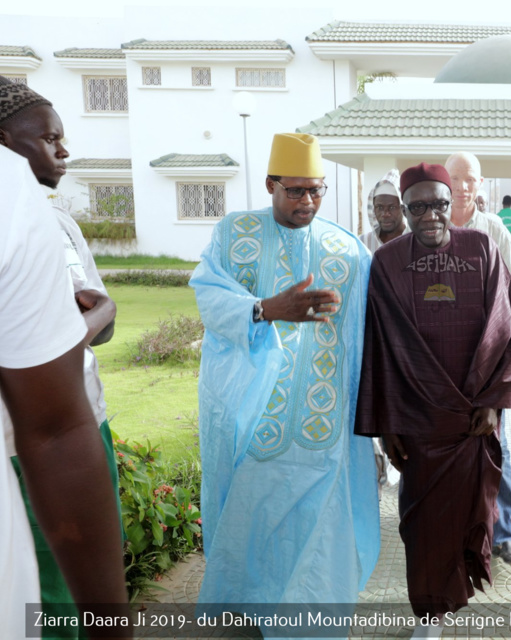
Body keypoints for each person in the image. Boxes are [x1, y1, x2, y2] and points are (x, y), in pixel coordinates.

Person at [190, 133, 379, 624]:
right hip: (251, 417)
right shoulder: (235, 234)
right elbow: (209, 296)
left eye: (316, 190)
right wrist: (266, 309)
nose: (308, 201)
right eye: (295, 190)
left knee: (319, 530)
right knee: (252, 517)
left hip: (322, 419)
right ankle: (250, 609)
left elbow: (371, 332)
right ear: (270, 184)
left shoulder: (347, 250)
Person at [356, 163, 511, 637]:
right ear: (403, 210)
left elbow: (506, 327)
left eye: (439, 205)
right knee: (424, 526)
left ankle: (450, 601)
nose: (430, 215)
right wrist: (387, 424)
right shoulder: (387, 262)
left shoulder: (481, 249)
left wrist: (492, 402)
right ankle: (429, 616)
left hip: (472, 419)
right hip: (417, 420)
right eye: (418, 207)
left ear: (454, 204)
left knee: (470, 515)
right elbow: (379, 347)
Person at [0, 76, 123, 639]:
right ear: (5, 142)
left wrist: (100, 316)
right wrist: (92, 319)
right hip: (28, 438)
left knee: (81, 575)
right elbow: (41, 349)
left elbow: (102, 323)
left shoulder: (63, 226)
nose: (64, 152)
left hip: (85, 418)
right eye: (50, 139)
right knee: (48, 595)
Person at [444, 151, 511, 564]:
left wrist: (502, 352)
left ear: (480, 184)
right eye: (455, 178)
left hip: (488, 360)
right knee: (448, 443)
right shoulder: (432, 227)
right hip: (443, 362)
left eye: (470, 179)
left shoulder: (494, 229)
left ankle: (504, 531)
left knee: (497, 443)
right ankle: (458, 525)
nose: (462, 187)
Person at [360, 169, 407, 253]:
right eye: (380, 207)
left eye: (392, 207)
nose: (385, 214)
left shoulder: (416, 241)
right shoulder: (363, 243)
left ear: (403, 208)